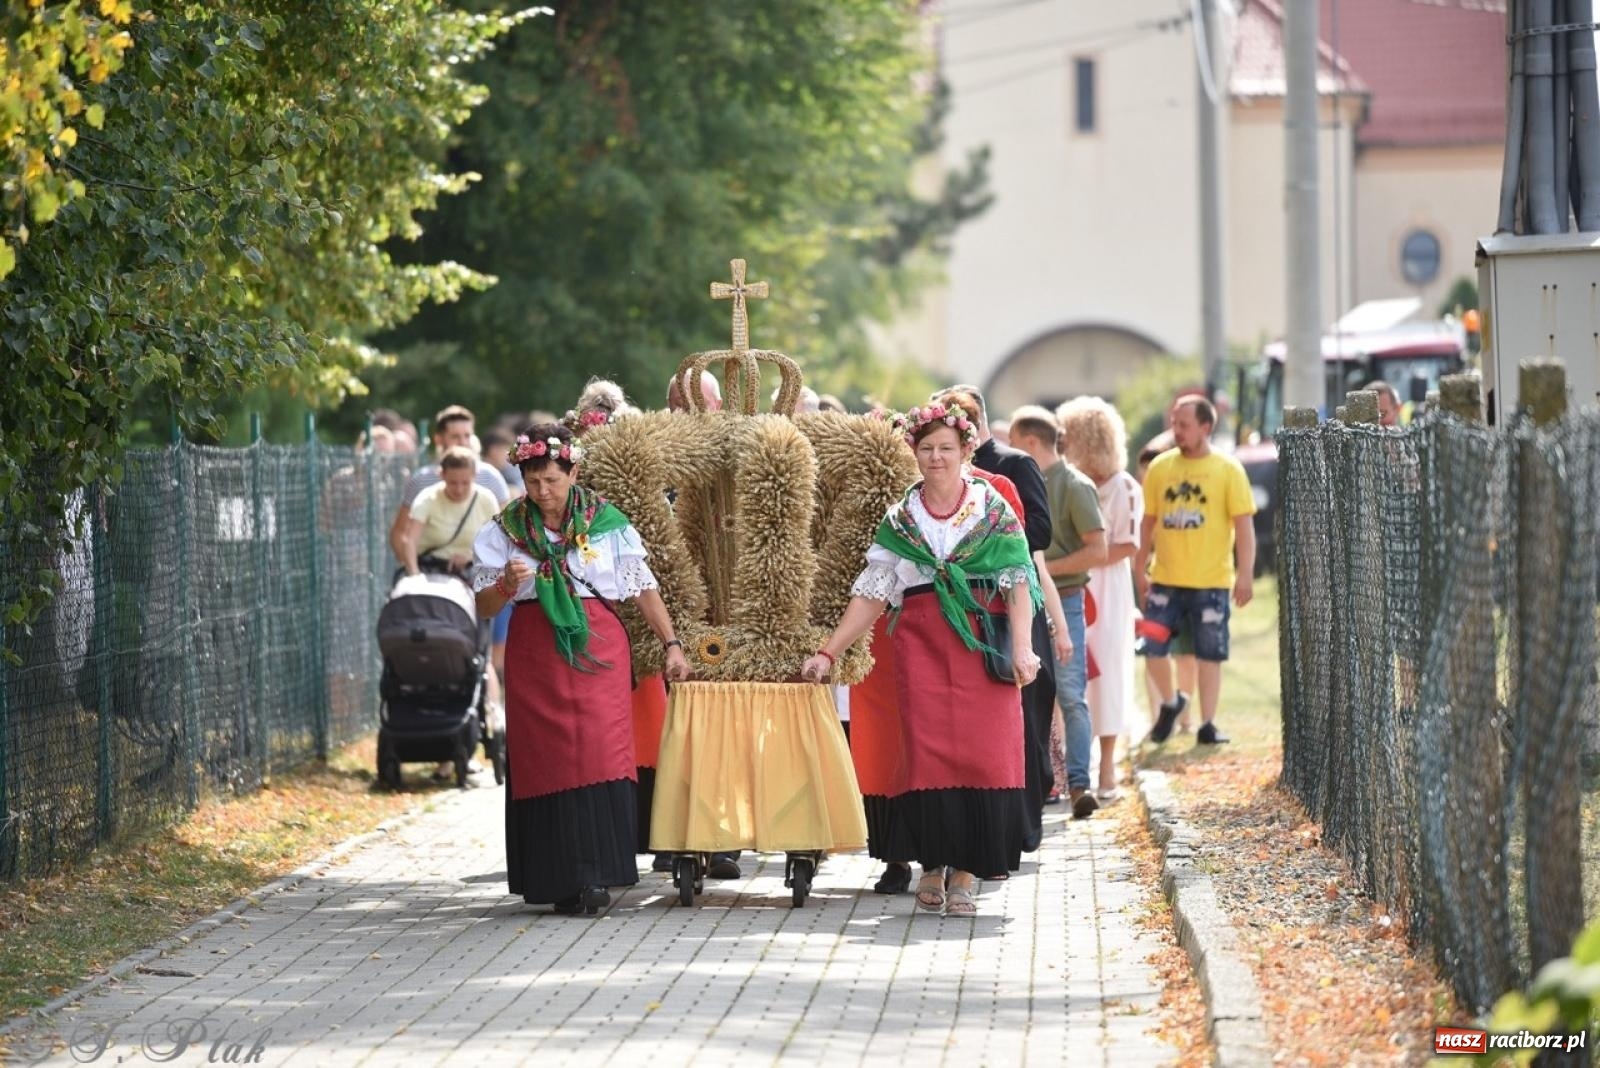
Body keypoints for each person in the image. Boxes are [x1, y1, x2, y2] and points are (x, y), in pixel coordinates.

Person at [801, 401, 1041, 917]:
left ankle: (968, 872)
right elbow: (874, 589)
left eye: (946, 449)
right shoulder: (902, 517)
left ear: (966, 451)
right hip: (921, 645)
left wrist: (1023, 646)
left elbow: (1019, 580)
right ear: (913, 452)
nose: (936, 458)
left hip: (980, 642)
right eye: (926, 449)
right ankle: (933, 864)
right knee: (926, 756)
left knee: (983, 753)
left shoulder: (992, 509)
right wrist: (829, 651)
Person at [472, 423, 690, 914]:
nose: (542, 492)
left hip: (599, 651)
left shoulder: (607, 523)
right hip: (535, 654)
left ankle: (599, 874)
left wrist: (671, 643)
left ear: (573, 471)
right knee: (545, 758)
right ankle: (557, 878)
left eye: (551, 480)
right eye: (532, 483)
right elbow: (484, 607)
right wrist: (506, 584)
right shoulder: (503, 530)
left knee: (600, 751)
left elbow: (642, 588)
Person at [933, 387, 1060, 845]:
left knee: (1024, 718)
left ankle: (1022, 826)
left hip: (1012, 607)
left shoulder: (1012, 465)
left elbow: (1038, 533)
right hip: (969, 616)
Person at [1135, 396, 1256, 745]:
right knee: (1151, 647)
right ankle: (1171, 704)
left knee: (1210, 653)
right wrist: (1140, 569)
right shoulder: (1160, 468)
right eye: (1174, 423)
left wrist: (1245, 574)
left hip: (1211, 581)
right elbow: (1147, 524)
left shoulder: (1228, 469)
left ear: (1206, 427)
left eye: (1184, 424)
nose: (1177, 430)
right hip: (1165, 580)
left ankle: (1207, 724)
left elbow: (1244, 527)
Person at [1005, 405, 1106, 818]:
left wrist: (1040, 567)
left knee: (1069, 691)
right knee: (1035, 691)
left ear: (1030, 442)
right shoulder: (1022, 480)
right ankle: (1046, 783)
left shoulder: (1075, 485)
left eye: (1013, 442)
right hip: (1023, 597)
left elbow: (1097, 550)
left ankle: (1081, 783)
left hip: (1063, 597)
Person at [1058, 397, 1143, 802]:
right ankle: (1074, 764)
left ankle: (1107, 763)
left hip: (1107, 586)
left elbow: (1127, 545)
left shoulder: (1122, 486)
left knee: (1106, 671)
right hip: (1077, 584)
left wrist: (1082, 558)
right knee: (1073, 671)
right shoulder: (1068, 484)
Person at [389, 405, 509, 566]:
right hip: (430, 569)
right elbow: (400, 533)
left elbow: (505, 533)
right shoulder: (421, 481)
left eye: (467, 435)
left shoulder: (491, 478)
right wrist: (412, 569)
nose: (463, 442)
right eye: (455, 437)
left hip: (475, 570)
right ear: (438, 439)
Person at [1136, 430, 1196, 731]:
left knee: (1185, 653)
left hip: (1186, 583)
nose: (1147, 478)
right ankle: (1159, 715)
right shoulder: (1143, 503)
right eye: (1143, 473)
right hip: (1156, 584)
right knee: (1153, 651)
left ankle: (1185, 718)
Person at [398, 447, 501, 579]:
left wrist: (471, 556)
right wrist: (414, 574)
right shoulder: (427, 498)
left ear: (475, 475)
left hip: (471, 569)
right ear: (442, 475)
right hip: (430, 568)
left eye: (465, 483)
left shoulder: (487, 499)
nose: (459, 489)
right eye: (453, 483)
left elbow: (496, 542)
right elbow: (410, 541)